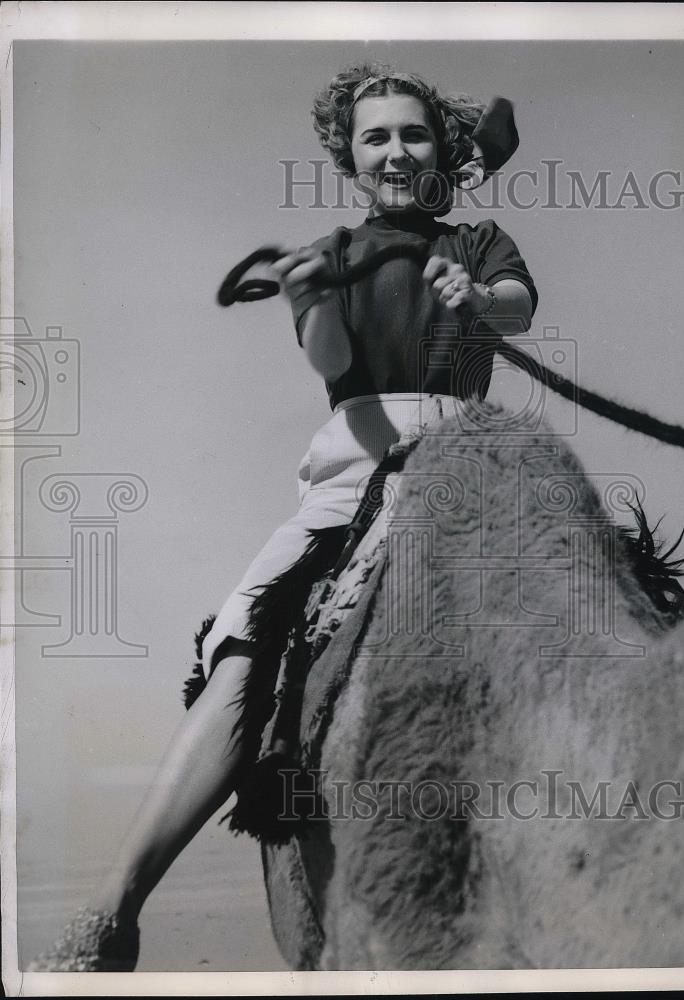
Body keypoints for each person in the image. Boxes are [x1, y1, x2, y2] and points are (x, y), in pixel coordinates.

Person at [31, 62, 537, 972]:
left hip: (470, 463)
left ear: (443, 151)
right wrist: (307, 299)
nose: (394, 150)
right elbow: (330, 355)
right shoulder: (334, 254)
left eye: (412, 134)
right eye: (374, 138)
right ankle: (116, 906)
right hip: (352, 472)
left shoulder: (478, 242)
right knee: (247, 635)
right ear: (349, 162)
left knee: (596, 591)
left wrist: (480, 300)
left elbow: (519, 307)